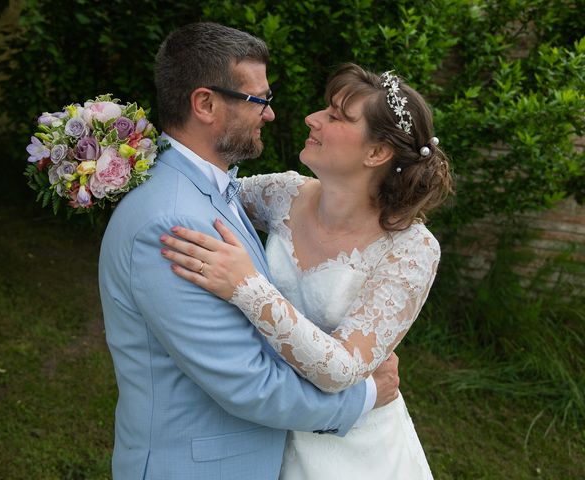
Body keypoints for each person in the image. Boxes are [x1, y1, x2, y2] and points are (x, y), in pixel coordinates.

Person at [98, 23, 399, 480]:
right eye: (259, 100)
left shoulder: (217, 189)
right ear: (205, 103)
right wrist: (365, 397)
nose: (271, 114)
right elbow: (250, 385)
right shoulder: (172, 223)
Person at [160, 63, 454, 479]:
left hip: (351, 451)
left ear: (376, 153)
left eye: (335, 117)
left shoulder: (412, 250)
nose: (312, 119)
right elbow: (198, 192)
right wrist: (114, 160)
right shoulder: (284, 193)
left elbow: (342, 370)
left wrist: (246, 286)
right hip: (264, 426)